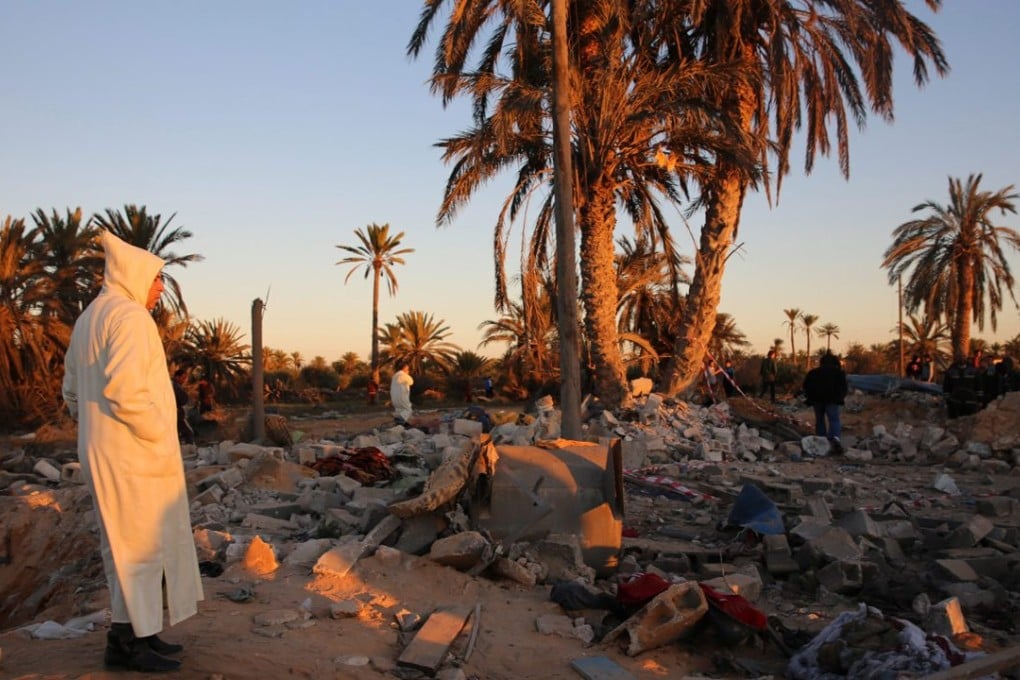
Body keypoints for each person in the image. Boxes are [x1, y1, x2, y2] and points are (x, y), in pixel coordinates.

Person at [62, 231, 203, 673]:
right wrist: (157, 434)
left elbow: (70, 392)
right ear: (136, 275)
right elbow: (124, 391)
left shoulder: (90, 317)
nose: (161, 288)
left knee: (121, 547)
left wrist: (92, 428)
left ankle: (128, 636)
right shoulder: (129, 317)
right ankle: (134, 645)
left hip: (105, 451)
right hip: (133, 455)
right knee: (140, 548)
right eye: (158, 278)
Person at [803, 352, 849, 454]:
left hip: (817, 401)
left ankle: (821, 441)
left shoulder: (813, 373)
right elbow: (844, 388)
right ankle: (834, 440)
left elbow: (806, 386)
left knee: (820, 421)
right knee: (834, 420)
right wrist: (840, 397)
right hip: (833, 400)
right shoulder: (839, 373)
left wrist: (810, 397)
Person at [172, 368, 195, 445]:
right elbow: (183, 399)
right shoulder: (175, 386)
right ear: (177, 377)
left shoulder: (174, 385)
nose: (184, 380)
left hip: (175, 413)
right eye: (183, 378)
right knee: (188, 433)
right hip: (176, 413)